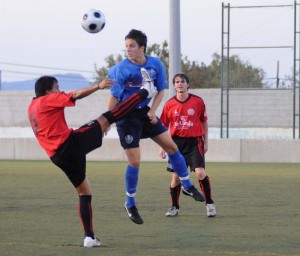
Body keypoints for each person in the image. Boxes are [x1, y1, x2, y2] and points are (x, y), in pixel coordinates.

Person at [27, 74, 157, 247]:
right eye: (57, 87)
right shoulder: (47, 100)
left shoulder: (32, 106)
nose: (60, 90)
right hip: (70, 144)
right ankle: (145, 91)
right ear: (48, 90)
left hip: (58, 157)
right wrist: (98, 86)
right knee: (108, 117)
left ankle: (89, 237)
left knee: (85, 193)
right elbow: (75, 95)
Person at [107, 29, 205, 225]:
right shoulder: (119, 69)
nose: (128, 49)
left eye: (132, 46)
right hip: (126, 118)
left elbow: (161, 90)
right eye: (126, 46)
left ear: (142, 47)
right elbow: (114, 97)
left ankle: (186, 185)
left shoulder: (156, 64)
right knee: (135, 162)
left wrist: (152, 111)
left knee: (172, 147)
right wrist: (107, 120)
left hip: (145, 113)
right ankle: (130, 203)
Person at [159, 73, 216, 218]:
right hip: (176, 144)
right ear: (174, 85)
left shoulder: (198, 102)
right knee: (176, 178)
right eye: (177, 82)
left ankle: (209, 204)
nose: (180, 84)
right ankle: (174, 207)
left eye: (182, 81)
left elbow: (204, 121)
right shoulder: (169, 104)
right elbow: (163, 126)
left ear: (187, 84)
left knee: (200, 173)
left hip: (195, 141)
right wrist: (162, 146)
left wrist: (206, 141)